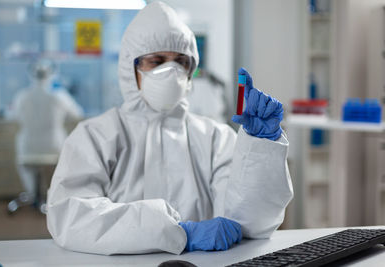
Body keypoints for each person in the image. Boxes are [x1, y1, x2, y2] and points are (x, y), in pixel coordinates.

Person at [46, 2, 293, 255]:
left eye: (181, 62)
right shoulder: (96, 136)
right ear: (130, 69)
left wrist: (260, 148)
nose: (171, 70)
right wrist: (179, 234)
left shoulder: (214, 138)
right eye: (157, 60)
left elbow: (249, 223)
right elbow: (71, 218)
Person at [11, 59, 83, 204]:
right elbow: (78, 114)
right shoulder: (59, 96)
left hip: (28, 148)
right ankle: (51, 198)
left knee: (29, 167)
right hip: (53, 147)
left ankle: (33, 194)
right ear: (52, 75)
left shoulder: (22, 97)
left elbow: (13, 116)